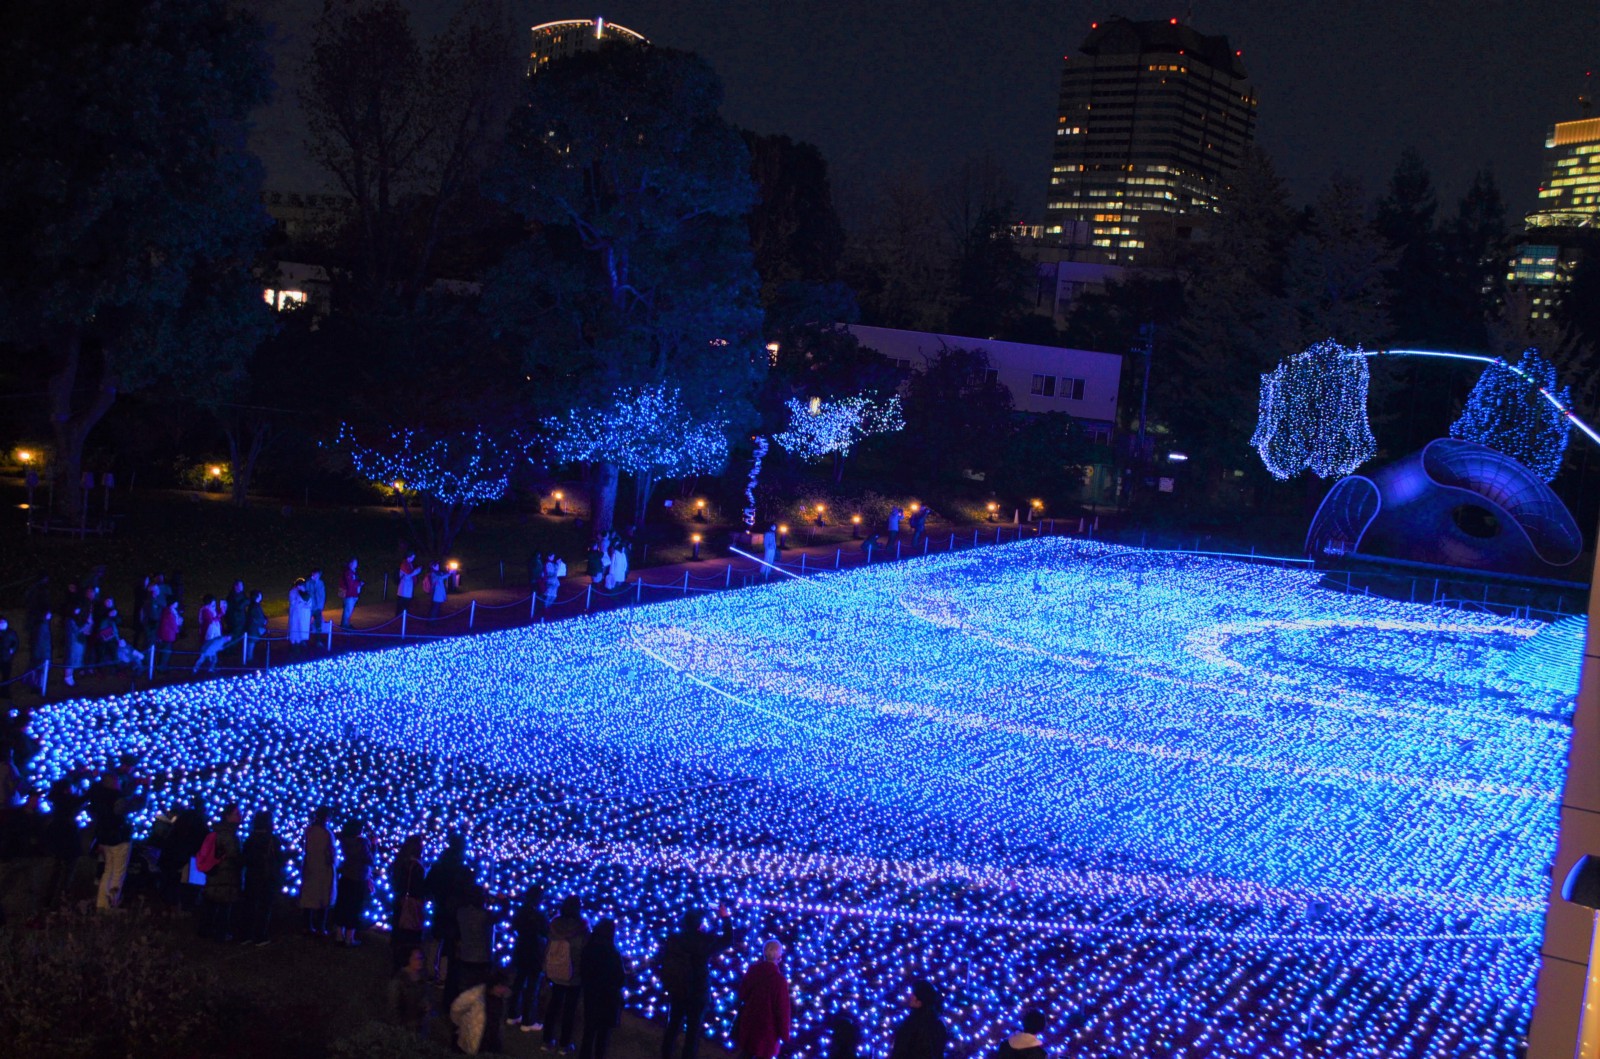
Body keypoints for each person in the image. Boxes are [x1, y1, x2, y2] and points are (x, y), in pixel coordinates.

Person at [659, 907, 746, 1059]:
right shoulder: (704, 940)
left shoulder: (675, 938)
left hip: (678, 987)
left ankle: (666, 1054)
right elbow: (727, 940)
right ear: (700, 924)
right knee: (692, 1032)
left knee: (673, 1024)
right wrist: (725, 917)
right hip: (698, 992)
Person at [87, 766, 146, 911]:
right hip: (119, 839)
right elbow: (137, 804)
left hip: (104, 838)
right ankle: (111, 904)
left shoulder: (98, 796)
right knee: (118, 872)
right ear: (113, 783)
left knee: (108, 870)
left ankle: (101, 904)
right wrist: (146, 788)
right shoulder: (116, 800)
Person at [542, 895, 590, 1052]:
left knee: (553, 1005)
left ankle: (547, 1040)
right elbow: (586, 951)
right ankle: (564, 1044)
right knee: (570, 1009)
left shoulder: (554, 924)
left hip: (555, 970)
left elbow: (548, 944)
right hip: (573, 974)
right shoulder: (582, 927)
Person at [425, 831, 471, 983]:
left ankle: (431, 970)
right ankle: (443, 976)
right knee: (449, 942)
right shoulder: (461, 868)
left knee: (437, 938)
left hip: (440, 906)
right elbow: (466, 890)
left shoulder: (440, 864)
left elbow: (429, 884)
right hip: (454, 911)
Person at [734, 940, 792, 1059]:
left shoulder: (753, 970)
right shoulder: (779, 981)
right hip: (767, 1030)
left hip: (749, 1021)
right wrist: (785, 1034)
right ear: (779, 957)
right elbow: (782, 1009)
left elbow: (742, 994)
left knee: (746, 1053)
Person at [579, 918, 627, 1059]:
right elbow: (620, 978)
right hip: (607, 998)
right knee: (603, 1034)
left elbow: (584, 970)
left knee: (589, 1030)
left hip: (591, 994)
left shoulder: (589, 947)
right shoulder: (612, 953)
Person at [242, 809, 289, 946]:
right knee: (264, 906)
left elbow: (244, 858)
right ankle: (260, 936)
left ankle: (246, 935)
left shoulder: (250, 839)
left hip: (251, 876)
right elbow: (280, 859)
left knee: (250, 905)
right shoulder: (272, 839)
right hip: (267, 878)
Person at [199, 803, 244, 940]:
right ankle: (220, 933)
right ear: (227, 816)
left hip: (215, 872)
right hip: (224, 873)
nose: (239, 816)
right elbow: (233, 854)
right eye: (236, 814)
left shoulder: (217, 831)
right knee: (224, 903)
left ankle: (206, 930)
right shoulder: (228, 834)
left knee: (211, 901)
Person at [508, 883, 549, 1032]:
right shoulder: (538, 915)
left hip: (521, 950)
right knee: (532, 987)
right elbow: (546, 932)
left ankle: (512, 1015)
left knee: (518, 982)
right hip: (534, 953)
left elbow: (514, 927)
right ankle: (528, 1021)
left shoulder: (520, 911)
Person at [159, 793, 208, 912]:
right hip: (186, 859)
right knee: (186, 890)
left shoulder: (183, 819)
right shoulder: (199, 823)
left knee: (171, 887)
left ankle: (169, 911)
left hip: (174, 858)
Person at [452, 883, 498, 1001]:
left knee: (466, 989)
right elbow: (501, 915)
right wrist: (500, 900)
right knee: (480, 991)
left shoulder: (461, 912)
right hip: (482, 958)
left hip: (465, 956)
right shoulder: (485, 915)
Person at [389, 834, 429, 971]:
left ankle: (397, 961)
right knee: (410, 933)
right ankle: (406, 963)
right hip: (411, 904)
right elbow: (418, 887)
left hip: (399, 901)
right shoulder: (416, 866)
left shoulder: (400, 861)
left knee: (399, 931)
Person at [451, 969, 513, 1055]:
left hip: (493, 1038)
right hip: (476, 1039)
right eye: (501, 987)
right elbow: (456, 1008)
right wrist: (463, 1024)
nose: (504, 990)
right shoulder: (476, 995)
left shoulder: (502, 998)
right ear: (494, 985)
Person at [332, 817, 373, 945]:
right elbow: (370, 860)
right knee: (354, 908)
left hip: (346, 876)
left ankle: (339, 935)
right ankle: (350, 938)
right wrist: (374, 845)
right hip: (359, 878)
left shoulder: (344, 839)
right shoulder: (362, 842)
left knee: (343, 905)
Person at [298, 806, 335, 936]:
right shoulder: (326, 833)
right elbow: (331, 852)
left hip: (309, 866)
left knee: (309, 896)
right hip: (323, 867)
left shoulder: (309, 830)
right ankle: (321, 927)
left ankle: (307, 925)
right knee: (323, 897)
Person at [888, 980, 948, 1059]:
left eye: (913, 994)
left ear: (920, 1000)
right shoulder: (938, 1024)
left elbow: (900, 1052)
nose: (910, 997)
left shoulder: (911, 1024)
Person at [391, 946, 432, 1038]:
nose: (420, 961)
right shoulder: (400, 981)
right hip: (405, 1027)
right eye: (416, 959)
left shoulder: (423, 977)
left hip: (420, 1025)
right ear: (409, 959)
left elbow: (426, 997)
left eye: (421, 958)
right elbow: (394, 1007)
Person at [192, 598, 227, 673]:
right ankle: (196, 668)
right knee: (204, 654)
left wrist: (220, 613)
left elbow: (215, 618)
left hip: (213, 634)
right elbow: (210, 620)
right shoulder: (205, 610)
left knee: (212, 653)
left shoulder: (210, 609)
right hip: (208, 634)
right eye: (213, 602)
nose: (214, 604)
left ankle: (210, 668)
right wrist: (220, 614)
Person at [62, 605, 88, 687]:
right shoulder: (70, 621)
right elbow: (75, 631)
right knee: (70, 659)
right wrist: (85, 626)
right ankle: (68, 677)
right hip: (71, 642)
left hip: (75, 642)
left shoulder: (75, 620)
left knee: (74, 658)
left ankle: (71, 676)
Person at [156, 600, 182, 674]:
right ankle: (162, 668)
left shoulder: (169, 611)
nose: (177, 604)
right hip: (167, 635)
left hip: (166, 634)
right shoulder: (169, 613)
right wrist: (178, 627)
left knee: (165, 651)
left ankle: (162, 666)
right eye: (176, 602)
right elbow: (172, 624)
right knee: (166, 651)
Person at [287, 578, 312, 655]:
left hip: (304, 614)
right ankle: (294, 645)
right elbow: (293, 602)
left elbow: (310, 602)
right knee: (295, 629)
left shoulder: (306, 592)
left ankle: (301, 643)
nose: (300, 587)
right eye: (299, 586)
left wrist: (306, 604)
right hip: (296, 614)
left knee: (302, 629)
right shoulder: (293, 592)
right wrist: (301, 603)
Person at [28, 608, 51, 689]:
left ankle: (38, 685)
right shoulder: (42, 626)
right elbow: (41, 641)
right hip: (41, 652)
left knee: (38, 670)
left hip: (40, 652)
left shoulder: (42, 624)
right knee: (38, 670)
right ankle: (37, 685)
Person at [243, 591, 267, 664]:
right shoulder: (255, 606)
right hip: (253, 628)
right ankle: (249, 659)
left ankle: (250, 658)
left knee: (252, 643)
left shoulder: (254, 605)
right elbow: (256, 617)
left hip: (254, 627)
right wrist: (263, 621)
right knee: (251, 644)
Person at [339, 559, 363, 631]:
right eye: (355, 563)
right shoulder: (348, 572)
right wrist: (359, 584)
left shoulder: (352, 572)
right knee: (348, 610)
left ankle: (346, 624)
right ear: (351, 563)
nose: (356, 564)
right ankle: (344, 626)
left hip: (352, 594)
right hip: (349, 594)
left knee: (348, 610)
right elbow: (350, 584)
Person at [396, 552, 422, 616]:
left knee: (405, 601)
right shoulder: (404, 564)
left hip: (407, 586)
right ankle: (399, 615)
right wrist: (417, 571)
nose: (413, 559)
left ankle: (402, 615)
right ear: (408, 557)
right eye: (412, 557)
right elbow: (408, 574)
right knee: (402, 601)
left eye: (413, 557)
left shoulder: (409, 564)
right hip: (404, 586)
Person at [305, 568, 327, 639]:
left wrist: (321, 606)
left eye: (317, 575)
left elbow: (322, 595)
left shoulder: (321, 583)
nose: (316, 576)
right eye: (314, 574)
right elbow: (307, 593)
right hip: (310, 607)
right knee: (306, 623)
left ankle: (318, 640)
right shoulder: (308, 583)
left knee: (318, 624)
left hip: (318, 607)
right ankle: (304, 639)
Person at [0, 617, 19, 698]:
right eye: (1, 622)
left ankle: (5, 693)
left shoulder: (11, 632)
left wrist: (12, 649)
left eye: (4, 622)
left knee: (6, 676)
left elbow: (15, 642)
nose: (3, 624)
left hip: (7, 658)